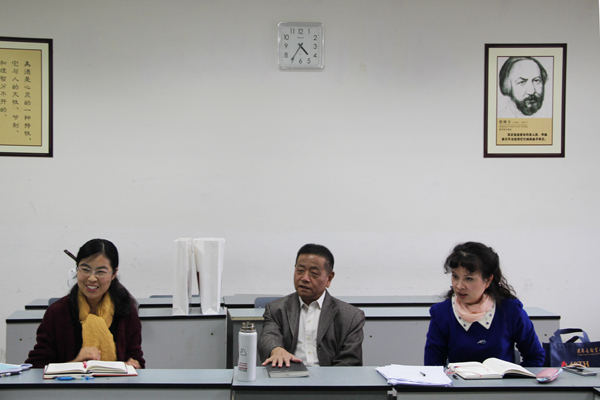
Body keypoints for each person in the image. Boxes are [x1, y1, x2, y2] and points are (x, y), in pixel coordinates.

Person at [26, 239, 145, 368]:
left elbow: (137, 359)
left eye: (101, 272)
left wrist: (134, 366)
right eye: (85, 269)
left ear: (113, 274)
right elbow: (37, 366)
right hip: (68, 382)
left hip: (114, 381)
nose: (92, 278)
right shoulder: (58, 312)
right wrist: (76, 362)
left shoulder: (126, 310)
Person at [424, 242, 545, 367]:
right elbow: (433, 366)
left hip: (503, 380)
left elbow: (535, 357)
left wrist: (515, 378)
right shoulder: (442, 313)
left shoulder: (510, 311)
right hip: (458, 380)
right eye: (455, 276)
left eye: (469, 279)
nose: (459, 286)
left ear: (487, 281)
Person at [258, 244, 365, 367]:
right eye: (300, 271)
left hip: (331, 377)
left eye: (314, 273)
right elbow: (268, 337)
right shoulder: (276, 309)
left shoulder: (351, 317)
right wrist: (276, 349)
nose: (305, 278)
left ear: (329, 278)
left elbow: (350, 362)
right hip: (288, 375)